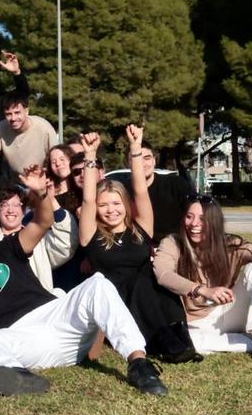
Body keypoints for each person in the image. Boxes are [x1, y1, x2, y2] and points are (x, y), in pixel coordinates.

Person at [0, 169, 170, 398]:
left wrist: (40, 193)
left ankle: (139, 363)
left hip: (56, 317)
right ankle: (16, 377)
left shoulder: (6, 249)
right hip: (24, 341)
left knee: (98, 283)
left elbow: (43, 221)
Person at [79, 128, 197, 362]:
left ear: (126, 204)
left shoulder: (141, 228)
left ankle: (177, 336)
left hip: (152, 299)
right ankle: (163, 342)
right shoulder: (90, 235)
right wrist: (90, 154)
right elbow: (88, 198)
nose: (111, 210)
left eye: (116, 203)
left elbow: (141, 190)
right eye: (104, 206)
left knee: (151, 278)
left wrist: (135, 148)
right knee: (140, 281)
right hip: (117, 304)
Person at [153, 197, 252, 365]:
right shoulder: (173, 242)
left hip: (228, 311)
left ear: (215, 222)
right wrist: (202, 290)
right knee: (181, 344)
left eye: (202, 218)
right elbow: (162, 273)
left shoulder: (231, 244)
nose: (194, 223)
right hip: (196, 323)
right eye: (189, 216)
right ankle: (250, 341)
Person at [0, 184, 77, 294]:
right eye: (4, 205)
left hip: (40, 304)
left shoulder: (38, 238)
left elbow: (66, 242)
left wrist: (51, 200)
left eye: (16, 205)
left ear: (23, 210)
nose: (10, 210)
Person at [124, 137, 197, 243]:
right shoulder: (122, 191)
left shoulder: (176, 185)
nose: (142, 164)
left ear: (154, 160)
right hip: (137, 251)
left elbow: (197, 213)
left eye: (147, 158)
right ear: (128, 163)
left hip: (174, 248)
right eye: (136, 159)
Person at [0, 94, 59, 177]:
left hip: (42, 179)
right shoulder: (0, 129)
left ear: (26, 111)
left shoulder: (43, 127)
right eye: (8, 114)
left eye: (17, 112)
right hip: (17, 181)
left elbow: (56, 155)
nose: (13, 118)